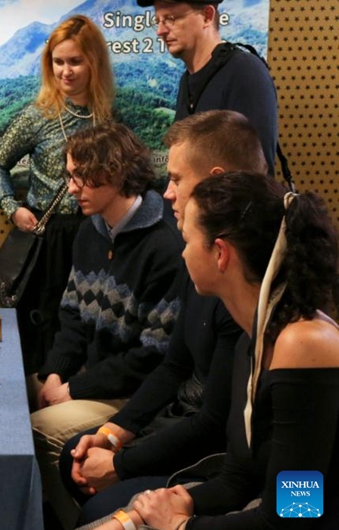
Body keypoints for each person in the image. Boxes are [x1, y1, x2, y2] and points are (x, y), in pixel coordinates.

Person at [91, 172, 339, 530]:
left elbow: (296, 512)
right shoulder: (253, 336)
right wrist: (164, 507)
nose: (183, 251)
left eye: (188, 240)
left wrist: (180, 526)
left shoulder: (303, 345)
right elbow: (238, 478)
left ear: (221, 253)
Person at [59, 110, 266, 525]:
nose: (166, 193)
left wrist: (177, 518)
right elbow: (175, 366)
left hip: (221, 469)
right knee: (77, 458)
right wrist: (115, 434)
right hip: (220, 467)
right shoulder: (207, 268)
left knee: (103, 505)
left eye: (176, 179)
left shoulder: (297, 341)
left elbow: (298, 506)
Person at [31, 121, 182, 529]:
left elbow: (153, 357)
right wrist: (55, 372)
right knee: (13, 392)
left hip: (135, 392)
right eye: (70, 176)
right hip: (92, 375)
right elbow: (72, 315)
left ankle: (75, 522)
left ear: (114, 174)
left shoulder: (164, 245)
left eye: (80, 177)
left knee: (39, 428)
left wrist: (73, 388)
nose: (72, 187)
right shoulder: (90, 231)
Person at [0, 15, 114, 374]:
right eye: (58, 62)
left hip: (96, 233)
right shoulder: (38, 115)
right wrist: (12, 207)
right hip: (47, 235)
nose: (66, 71)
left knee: (88, 323)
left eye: (75, 61)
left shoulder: (107, 115)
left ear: (94, 62)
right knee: (41, 325)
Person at [137, 0, 278, 173]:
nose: (160, 31)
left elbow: (256, 177)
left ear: (207, 16)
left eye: (171, 18)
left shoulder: (245, 72)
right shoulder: (187, 80)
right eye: (157, 21)